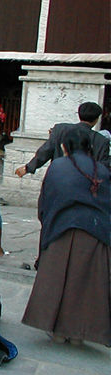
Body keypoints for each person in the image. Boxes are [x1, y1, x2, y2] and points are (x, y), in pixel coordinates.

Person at [22, 131, 110, 346]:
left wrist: (46, 224)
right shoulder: (101, 169)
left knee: (57, 279)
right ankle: (79, 334)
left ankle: (57, 332)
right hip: (95, 231)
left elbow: (46, 199)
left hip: (62, 227)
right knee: (87, 283)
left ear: (64, 147)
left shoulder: (58, 167)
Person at [15, 102, 110, 176]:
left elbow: (46, 150)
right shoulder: (101, 140)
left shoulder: (60, 129)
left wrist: (27, 168)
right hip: (85, 184)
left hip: (58, 177)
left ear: (79, 115)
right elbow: (103, 167)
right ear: (96, 119)